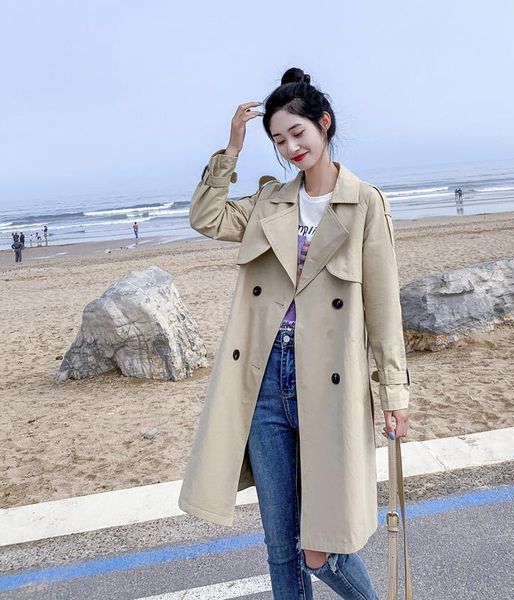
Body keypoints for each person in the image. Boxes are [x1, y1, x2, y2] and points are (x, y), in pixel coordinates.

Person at [179, 67, 410, 600]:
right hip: (265, 378)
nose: (290, 148)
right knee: (280, 545)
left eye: (297, 133)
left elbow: (383, 306)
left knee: (320, 550)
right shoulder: (270, 202)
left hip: (329, 383)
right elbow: (206, 217)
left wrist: (395, 392)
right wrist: (231, 151)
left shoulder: (365, 203)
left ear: (324, 123)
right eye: (279, 140)